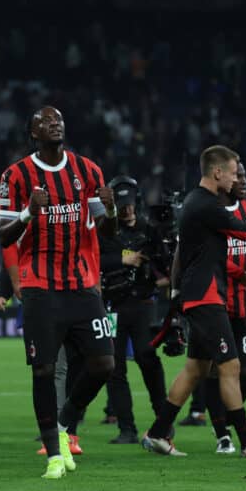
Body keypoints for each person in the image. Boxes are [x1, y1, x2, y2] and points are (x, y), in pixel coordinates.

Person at [142, 145, 246, 458]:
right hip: (207, 298)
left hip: (200, 295)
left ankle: (157, 434)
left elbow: (207, 256)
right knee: (231, 366)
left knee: (195, 368)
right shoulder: (207, 205)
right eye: (234, 173)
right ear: (217, 172)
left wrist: (241, 276)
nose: (237, 179)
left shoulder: (199, 203)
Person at [0, 105, 117, 480]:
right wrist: (29, 214)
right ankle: (53, 452)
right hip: (39, 288)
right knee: (45, 369)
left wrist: (110, 212)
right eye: (45, 121)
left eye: (59, 120)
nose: (54, 124)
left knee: (104, 363)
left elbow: (105, 234)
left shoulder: (89, 170)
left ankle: (64, 425)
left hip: (82, 285)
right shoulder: (15, 175)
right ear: (33, 133)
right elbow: (3, 234)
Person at [205, 161, 246, 453]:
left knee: (245, 372)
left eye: (244, 175)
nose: (243, 180)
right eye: (237, 176)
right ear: (224, 178)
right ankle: (222, 434)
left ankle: (231, 417)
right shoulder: (209, 213)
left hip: (244, 306)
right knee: (213, 370)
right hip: (214, 302)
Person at [98, 175, 168, 444]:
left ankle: (163, 423)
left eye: (129, 205)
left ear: (136, 203)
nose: (127, 210)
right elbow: (92, 260)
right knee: (114, 369)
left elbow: (165, 260)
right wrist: (124, 258)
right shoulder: (103, 230)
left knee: (147, 359)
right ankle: (126, 429)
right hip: (112, 306)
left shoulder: (150, 230)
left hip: (142, 303)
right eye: (121, 205)